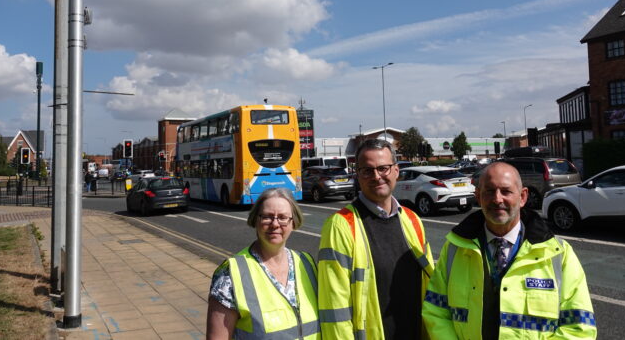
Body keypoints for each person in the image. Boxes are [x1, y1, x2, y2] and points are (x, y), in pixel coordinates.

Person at [423, 162, 597, 339]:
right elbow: (436, 311)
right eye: (489, 191)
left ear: (522, 197)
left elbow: (579, 327)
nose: (497, 199)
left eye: (506, 191)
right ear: (478, 196)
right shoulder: (454, 249)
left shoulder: (560, 254)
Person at [318, 138, 434, 340]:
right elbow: (334, 305)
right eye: (367, 170)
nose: (376, 176)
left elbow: (431, 285)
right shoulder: (341, 225)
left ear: (396, 171)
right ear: (358, 175)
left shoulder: (412, 219)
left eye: (383, 168)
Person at [206, 187, 319, 339]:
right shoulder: (230, 273)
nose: (275, 224)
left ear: (293, 222)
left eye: (283, 217)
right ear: (255, 220)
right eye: (267, 217)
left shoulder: (307, 263)